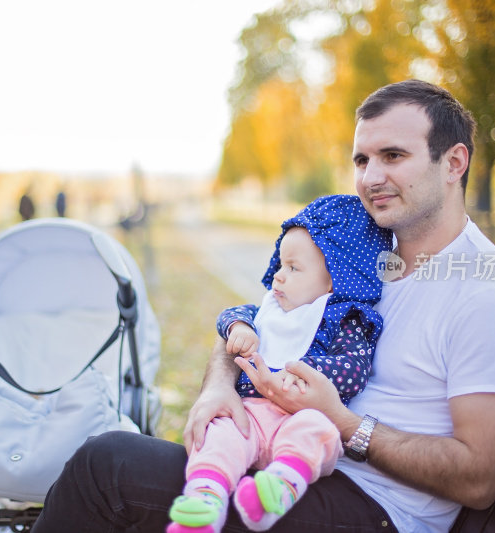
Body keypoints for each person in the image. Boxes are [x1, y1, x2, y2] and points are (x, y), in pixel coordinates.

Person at [30, 80, 495, 532]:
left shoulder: (489, 300)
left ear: (453, 162)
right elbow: (259, 318)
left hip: (376, 508)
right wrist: (217, 387)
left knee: (107, 468)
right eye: (362, 159)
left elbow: (479, 478)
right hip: (282, 457)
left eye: (393, 156)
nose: (370, 178)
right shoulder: (365, 254)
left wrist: (341, 423)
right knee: (133, 462)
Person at [167, 195, 392, 533]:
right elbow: (235, 313)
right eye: (281, 266)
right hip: (252, 416)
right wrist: (239, 328)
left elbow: (353, 367)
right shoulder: (272, 309)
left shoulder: (344, 319)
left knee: (319, 434)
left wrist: (303, 373)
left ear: (334, 278)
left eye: (293, 268)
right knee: (220, 435)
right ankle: (205, 498)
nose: (279, 278)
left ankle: (275, 491)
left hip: (302, 416)